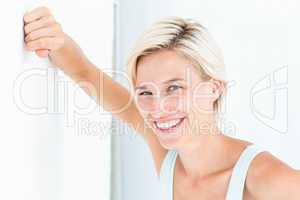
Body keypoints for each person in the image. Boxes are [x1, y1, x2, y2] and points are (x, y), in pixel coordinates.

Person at [23, 6, 300, 200]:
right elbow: (86, 73)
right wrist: (55, 40)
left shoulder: (266, 179)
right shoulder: (169, 156)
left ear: (214, 88)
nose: (158, 108)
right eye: (145, 92)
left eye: (174, 88)